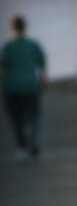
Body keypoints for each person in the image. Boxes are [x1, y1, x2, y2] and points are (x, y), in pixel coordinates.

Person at [0, 16, 46, 160]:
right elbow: (42, 64)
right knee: (32, 117)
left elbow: (2, 67)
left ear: (12, 28)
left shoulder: (8, 47)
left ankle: (21, 148)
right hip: (30, 86)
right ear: (25, 27)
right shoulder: (33, 45)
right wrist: (42, 81)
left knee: (16, 119)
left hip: (12, 88)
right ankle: (33, 139)